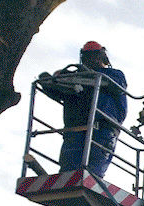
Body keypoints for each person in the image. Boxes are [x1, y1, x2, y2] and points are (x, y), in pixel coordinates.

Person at [42, 41, 128, 177]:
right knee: (68, 173)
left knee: (92, 174)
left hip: (103, 130)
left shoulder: (113, 75)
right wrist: (50, 82)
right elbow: (61, 93)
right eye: (88, 56)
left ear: (102, 57)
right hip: (75, 129)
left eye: (94, 56)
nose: (91, 59)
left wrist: (88, 74)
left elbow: (117, 85)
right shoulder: (76, 78)